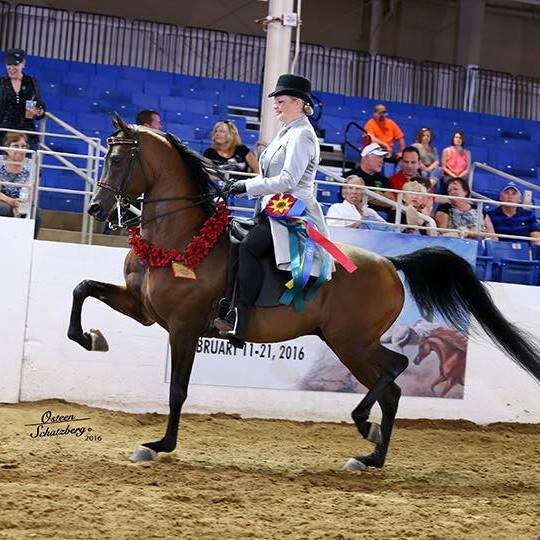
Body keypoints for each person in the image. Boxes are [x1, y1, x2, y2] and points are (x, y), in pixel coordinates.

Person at [213, 74, 326, 340]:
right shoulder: (286, 132)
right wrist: (240, 185)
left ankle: (241, 318)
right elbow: (269, 175)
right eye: (275, 101)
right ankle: (226, 305)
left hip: (294, 210)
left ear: (298, 103)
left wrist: (245, 186)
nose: (275, 105)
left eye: (280, 101)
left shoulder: (302, 135)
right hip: (274, 207)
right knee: (234, 239)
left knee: (249, 246)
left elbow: (288, 180)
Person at [0, 48, 45, 149]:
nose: (11, 68)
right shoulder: (1, 82)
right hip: (3, 134)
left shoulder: (31, 83)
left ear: (23, 64)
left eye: (15, 64)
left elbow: (39, 104)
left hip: (25, 134)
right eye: (9, 64)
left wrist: (39, 111)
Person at [0, 132, 40, 235]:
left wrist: (21, 203)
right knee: (5, 209)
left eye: (23, 146)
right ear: (6, 148)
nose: (20, 149)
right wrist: (10, 201)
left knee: (35, 213)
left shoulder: (31, 164)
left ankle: (28, 242)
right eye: (16, 146)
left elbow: (31, 191)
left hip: (20, 201)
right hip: (3, 199)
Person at [346, 142, 393, 213]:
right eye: (379, 157)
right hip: (356, 215)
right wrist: (380, 195)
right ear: (366, 157)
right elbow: (353, 199)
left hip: (381, 217)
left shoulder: (383, 179)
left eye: (383, 158)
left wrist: (367, 195)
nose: (382, 161)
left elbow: (391, 201)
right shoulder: (349, 176)